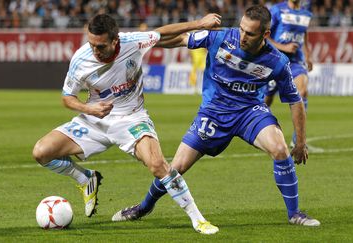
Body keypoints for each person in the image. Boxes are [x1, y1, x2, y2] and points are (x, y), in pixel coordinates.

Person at [112, 5, 320, 227]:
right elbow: (182, 40)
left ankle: (294, 213)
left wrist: (301, 142)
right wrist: (145, 42)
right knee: (177, 167)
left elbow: (295, 101)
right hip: (213, 113)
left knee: (280, 149)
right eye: (241, 29)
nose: (242, 36)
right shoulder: (220, 37)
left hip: (249, 112)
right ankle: (143, 207)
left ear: (265, 34)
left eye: (250, 33)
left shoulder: (277, 61)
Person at [32, 13, 222, 234]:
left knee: (158, 165)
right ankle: (85, 178)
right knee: (41, 152)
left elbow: (162, 33)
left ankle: (198, 219)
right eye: (91, 44)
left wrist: (199, 23)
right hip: (94, 121)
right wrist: (89, 108)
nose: (95, 50)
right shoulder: (80, 59)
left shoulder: (132, 42)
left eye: (101, 46)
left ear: (115, 41)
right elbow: (67, 97)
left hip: (132, 117)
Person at [264, 0, 313, 148]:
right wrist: (283, 47)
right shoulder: (276, 10)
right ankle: (259, 129)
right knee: (266, 100)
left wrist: (308, 55)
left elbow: (304, 35)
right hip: (275, 60)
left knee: (302, 92)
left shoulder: (306, 13)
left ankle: (297, 140)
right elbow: (265, 36)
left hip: (296, 62)